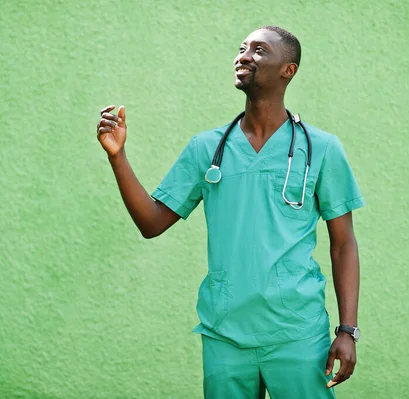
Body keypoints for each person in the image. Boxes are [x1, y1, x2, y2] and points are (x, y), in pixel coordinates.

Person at [96, 25, 365, 399]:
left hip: (297, 333)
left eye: (259, 50)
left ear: (288, 69)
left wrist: (347, 330)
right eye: (242, 49)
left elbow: (343, 244)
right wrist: (118, 157)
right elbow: (152, 222)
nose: (243, 55)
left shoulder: (321, 148)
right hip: (224, 332)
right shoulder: (206, 148)